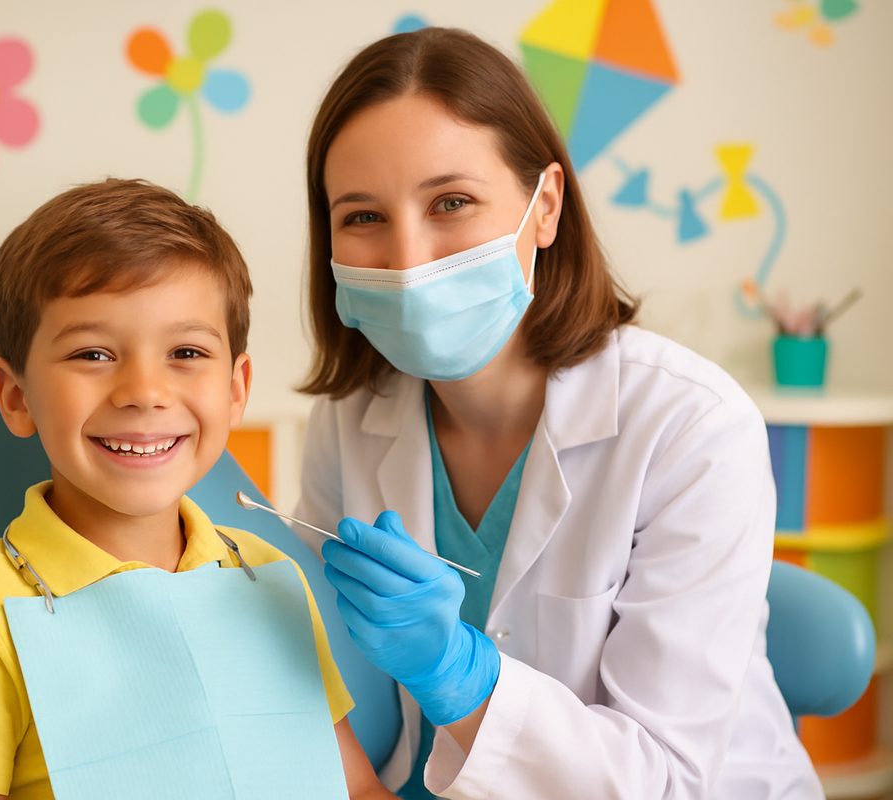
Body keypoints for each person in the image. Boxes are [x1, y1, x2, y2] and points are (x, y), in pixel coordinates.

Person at [293, 27, 822, 799]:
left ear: (544, 208)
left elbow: (664, 782)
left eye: (452, 202)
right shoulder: (348, 420)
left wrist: (457, 675)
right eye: (363, 217)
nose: (409, 261)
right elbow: (333, 682)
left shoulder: (692, 428)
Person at [0, 179, 394, 799]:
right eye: (94, 354)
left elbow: (356, 791)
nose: (143, 391)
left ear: (236, 389)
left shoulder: (266, 573)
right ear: (16, 397)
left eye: (185, 351)